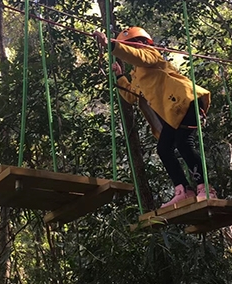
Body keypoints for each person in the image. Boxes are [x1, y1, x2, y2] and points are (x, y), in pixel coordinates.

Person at [93, 27, 217, 208]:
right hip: (172, 113)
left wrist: (110, 44)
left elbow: (139, 57)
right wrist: (120, 76)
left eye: (134, 44)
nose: (136, 48)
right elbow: (131, 96)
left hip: (186, 102)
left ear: (143, 43)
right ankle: (183, 191)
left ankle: (205, 188)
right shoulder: (138, 74)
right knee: (164, 149)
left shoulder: (151, 55)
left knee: (183, 143)